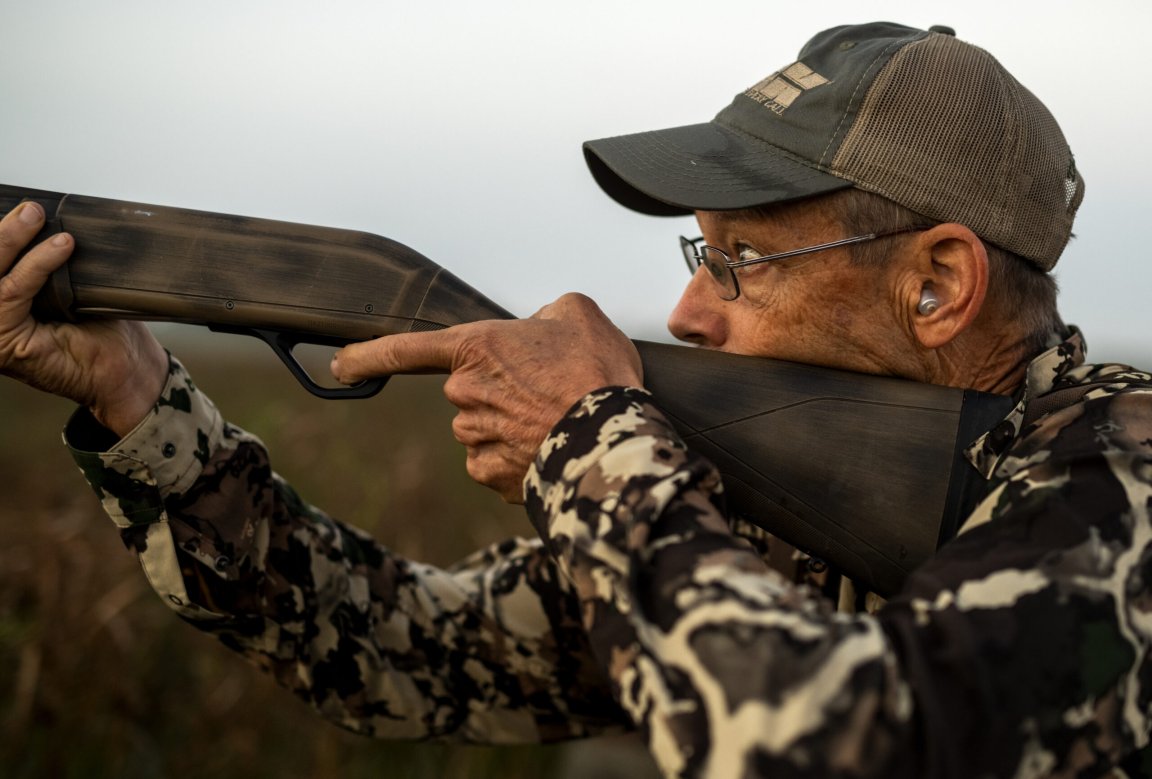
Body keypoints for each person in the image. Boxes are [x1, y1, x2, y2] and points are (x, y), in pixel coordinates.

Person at [2, 20, 1151, 778]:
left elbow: (806, 744)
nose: (690, 314)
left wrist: (588, 439)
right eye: (699, 256)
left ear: (939, 282)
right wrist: (145, 408)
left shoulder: (1123, 477)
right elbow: (401, 650)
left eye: (741, 261)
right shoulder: (774, 501)